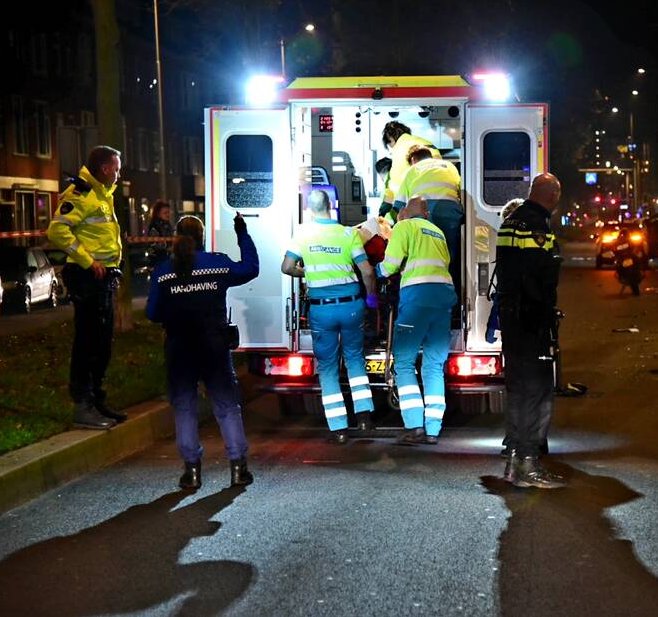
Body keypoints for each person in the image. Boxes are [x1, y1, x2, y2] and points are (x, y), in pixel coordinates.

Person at [146, 213, 259, 489]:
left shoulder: (164, 271)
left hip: (179, 347)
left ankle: (192, 472)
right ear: (202, 237)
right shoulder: (217, 264)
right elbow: (250, 268)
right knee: (226, 405)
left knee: (184, 407)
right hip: (214, 345)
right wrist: (242, 233)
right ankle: (238, 469)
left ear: (177, 236)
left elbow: (152, 313)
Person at [282, 190, 379, 444]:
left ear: (308, 208)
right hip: (351, 307)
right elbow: (367, 272)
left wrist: (309, 272)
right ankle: (365, 418)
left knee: (327, 366)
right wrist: (370, 299)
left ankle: (338, 428)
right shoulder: (348, 234)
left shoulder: (302, 234)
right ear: (332, 206)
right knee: (355, 359)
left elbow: (287, 267)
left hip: (321, 309)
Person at [495, 173, 566, 488]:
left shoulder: (511, 221)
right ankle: (529, 462)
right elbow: (539, 278)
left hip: (510, 317)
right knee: (537, 389)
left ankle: (513, 460)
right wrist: (544, 316)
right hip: (531, 319)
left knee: (517, 387)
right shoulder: (538, 226)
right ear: (551, 195)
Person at [47, 146, 125, 430]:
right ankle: (83, 404)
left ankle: (96, 399)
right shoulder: (81, 195)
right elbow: (56, 231)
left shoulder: (102, 195)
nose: (118, 174)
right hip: (87, 278)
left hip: (101, 279)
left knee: (101, 344)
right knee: (89, 342)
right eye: (116, 168)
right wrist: (87, 260)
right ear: (105, 168)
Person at [377, 196, 455, 445]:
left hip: (417, 299)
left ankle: (414, 425)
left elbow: (389, 267)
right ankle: (433, 429)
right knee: (433, 365)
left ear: (404, 213)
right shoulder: (438, 232)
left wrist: (371, 272)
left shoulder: (404, 227)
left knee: (404, 362)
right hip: (443, 299)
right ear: (427, 214)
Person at [394, 145, 464, 292]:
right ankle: (451, 294)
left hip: (425, 210)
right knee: (449, 255)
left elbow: (399, 204)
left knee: (426, 251)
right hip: (450, 210)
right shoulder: (449, 166)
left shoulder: (413, 169)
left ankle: (427, 288)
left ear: (413, 159)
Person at [381, 121, 441, 208]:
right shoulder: (426, 142)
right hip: (442, 196)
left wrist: (388, 202)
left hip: (422, 201)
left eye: (390, 145)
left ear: (391, 139)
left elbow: (396, 181)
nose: (392, 148)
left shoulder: (400, 147)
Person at [147, 201, 173, 268]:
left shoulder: (168, 225)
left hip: (167, 259)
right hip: (157, 260)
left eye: (168, 212)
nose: (168, 215)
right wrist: (168, 248)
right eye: (165, 213)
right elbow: (155, 244)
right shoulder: (154, 226)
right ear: (158, 214)